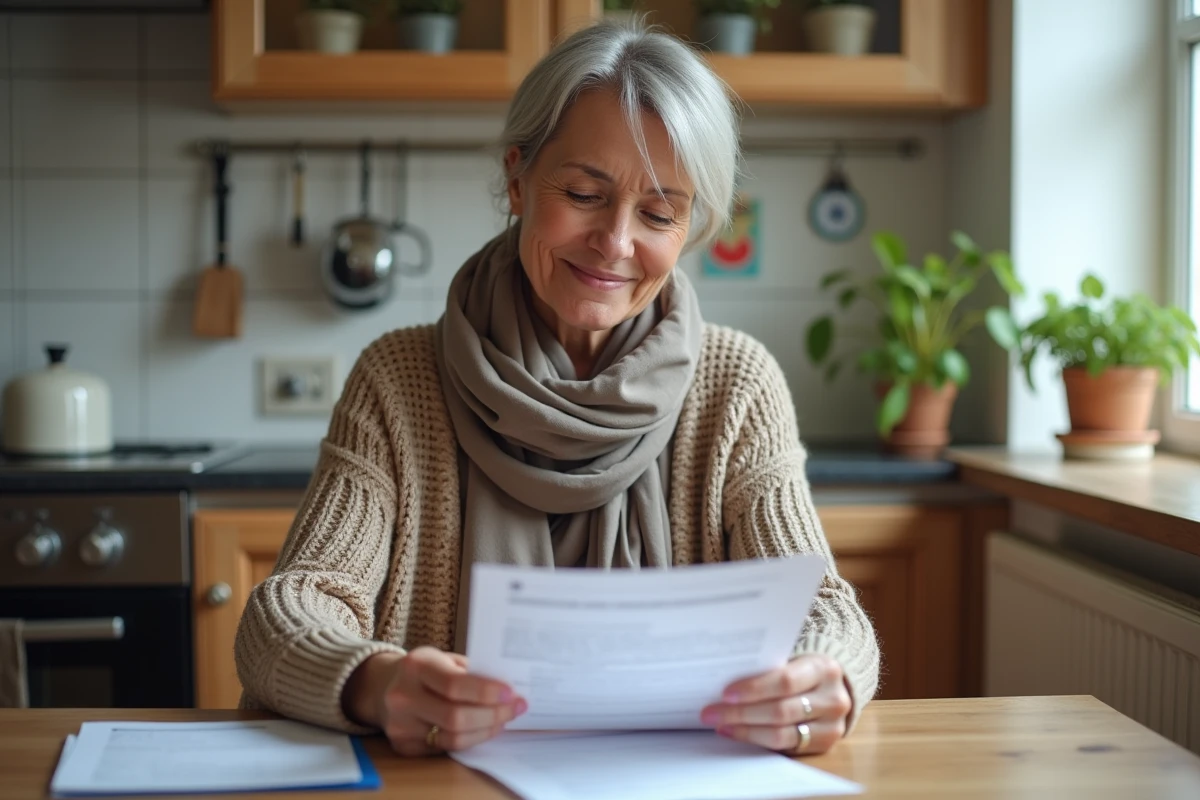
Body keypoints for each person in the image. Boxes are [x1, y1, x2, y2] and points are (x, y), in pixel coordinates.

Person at [235, 19, 879, 759]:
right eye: (582, 193)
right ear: (517, 178)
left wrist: (824, 680)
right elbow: (285, 614)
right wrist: (377, 683)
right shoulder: (399, 379)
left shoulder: (736, 384)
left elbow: (826, 612)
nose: (615, 242)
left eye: (659, 213)